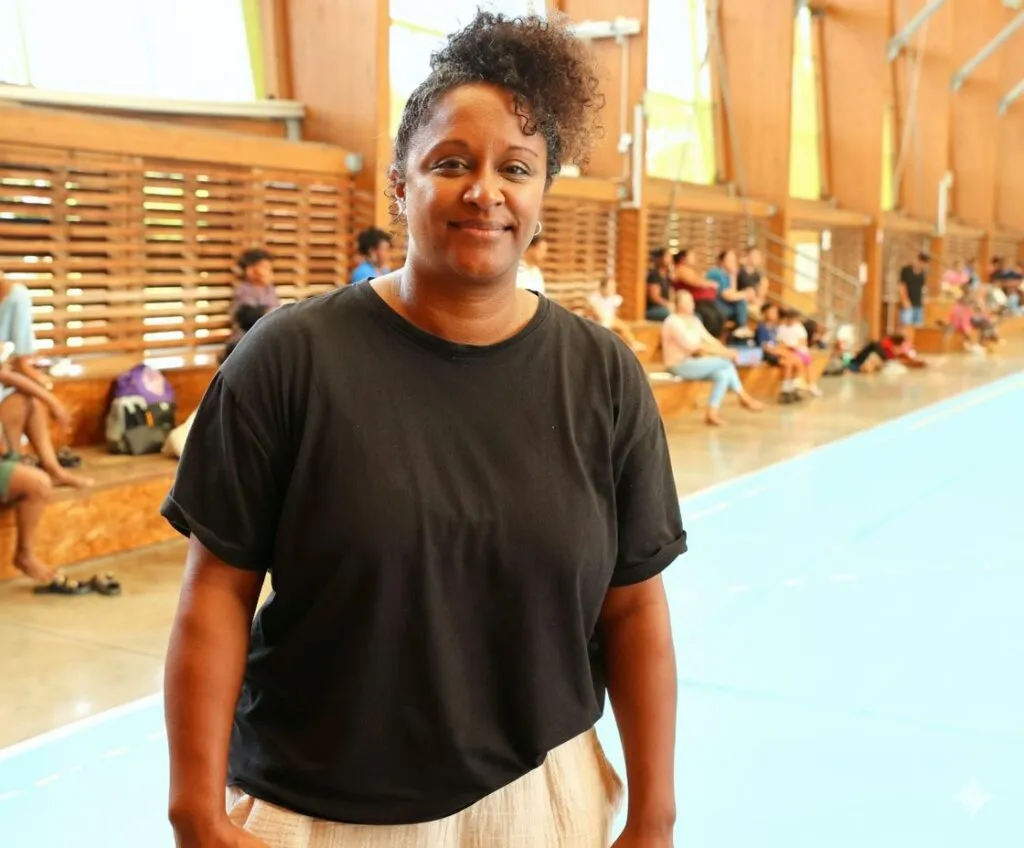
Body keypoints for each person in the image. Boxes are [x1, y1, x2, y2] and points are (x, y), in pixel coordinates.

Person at [162, 13, 684, 848]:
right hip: (316, 803)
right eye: (451, 163)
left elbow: (634, 606)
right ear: (400, 186)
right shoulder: (289, 359)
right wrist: (194, 808)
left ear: (541, 199)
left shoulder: (603, 376)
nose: (485, 190)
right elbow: (217, 591)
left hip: (538, 795)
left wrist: (654, 813)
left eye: (516, 168)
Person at [0, 274, 93, 488]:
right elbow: (8, 372)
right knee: (29, 396)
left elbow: (11, 369)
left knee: (29, 398)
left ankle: (52, 469)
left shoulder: (15, 296)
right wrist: (52, 400)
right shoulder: (17, 297)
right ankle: (19, 470)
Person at [661, 290, 763, 427]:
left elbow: (709, 340)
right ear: (678, 304)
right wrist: (726, 354)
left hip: (694, 362)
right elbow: (694, 347)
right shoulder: (673, 322)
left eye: (691, 301)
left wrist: (727, 350)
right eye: (687, 301)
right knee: (725, 362)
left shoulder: (694, 320)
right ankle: (743, 397)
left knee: (722, 375)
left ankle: (712, 413)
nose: (691, 304)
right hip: (678, 364)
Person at [755, 303, 800, 404]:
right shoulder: (762, 328)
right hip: (767, 355)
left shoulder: (774, 328)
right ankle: (785, 391)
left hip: (777, 352)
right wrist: (782, 352)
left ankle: (792, 388)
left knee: (796, 362)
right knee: (787, 363)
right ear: (764, 313)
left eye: (775, 312)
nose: (774, 314)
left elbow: (778, 342)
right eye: (771, 311)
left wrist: (785, 349)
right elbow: (766, 347)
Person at [706, 250, 753, 338]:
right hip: (713, 307)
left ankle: (740, 330)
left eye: (734, 260)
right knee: (741, 301)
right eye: (730, 259)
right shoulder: (716, 272)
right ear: (722, 260)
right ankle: (741, 327)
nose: (733, 262)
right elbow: (728, 296)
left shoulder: (726, 275)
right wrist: (745, 294)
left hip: (723, 306)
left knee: (741, 302)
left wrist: (733, 275)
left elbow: (733, 292)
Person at [231, 249, 279, 314]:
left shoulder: (269, 288)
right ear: (250, 271)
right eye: (265, 267)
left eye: (270, 268)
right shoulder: (244, 292)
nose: (270, 272)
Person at [897, 252, 929, 349]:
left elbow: (922, 288)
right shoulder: (906, 270)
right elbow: (902, 286)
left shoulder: (922, 274)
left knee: (916, 326)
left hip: (918, 303)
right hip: (908, 302)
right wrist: (904, 300)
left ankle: (910, 345)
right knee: (906, 325)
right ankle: (903, 345)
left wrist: (924, 299)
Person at [646, 247, 673, 321]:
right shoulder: (654, 275)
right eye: (667, 256)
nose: (670, 259)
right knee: (669, 313)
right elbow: (654, 297)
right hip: (653, 309)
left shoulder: (667, 275)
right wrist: (668, 304)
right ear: (660, 258)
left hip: (665, 307)